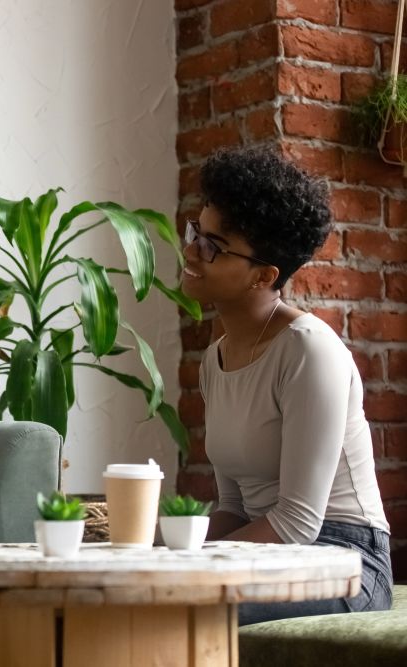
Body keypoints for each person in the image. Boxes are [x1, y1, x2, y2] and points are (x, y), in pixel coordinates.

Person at [182, 146, 392, 625]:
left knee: (178, 612)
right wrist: (161, 542)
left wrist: (186, 561)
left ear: (264, 276)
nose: (192, 250)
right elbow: (234, 507)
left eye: (213, 245)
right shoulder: (214, 361)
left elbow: (297, 523)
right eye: (196, 232)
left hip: (346, 562)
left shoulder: (308, 351)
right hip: (269, 553)